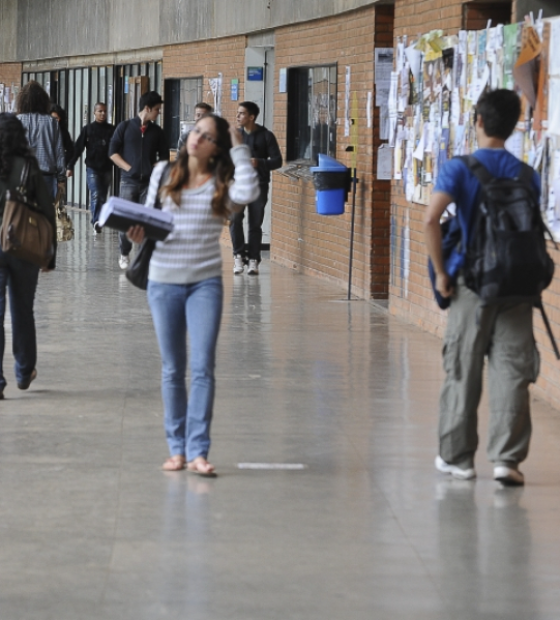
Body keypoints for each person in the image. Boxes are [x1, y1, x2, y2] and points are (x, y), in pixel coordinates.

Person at [127, 113, 259, 474]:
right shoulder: (162, 173)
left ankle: (198, 451)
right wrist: (137, 233)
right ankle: (177, 449)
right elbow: (147, 219)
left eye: (206, 136)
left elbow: (250, 193)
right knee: (173, 369)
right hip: (163, 280)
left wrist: (240, 146)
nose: (195, 139)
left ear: (217, 149)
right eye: (195, 131)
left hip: (205, 283)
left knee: (202, 367)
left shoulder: (222, 181)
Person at [424, 89, 541, 486]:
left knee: (463, 367)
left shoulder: (459, 168)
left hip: (472, 284)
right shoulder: (527, 173)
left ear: (478, 121)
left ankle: (458, 458)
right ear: (514, 126)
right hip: (518, 286)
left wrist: (441, 273)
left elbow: (430, 220)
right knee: (512, 371)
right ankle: (507, 460)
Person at [0, 113, 57, 398]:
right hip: (23, 247)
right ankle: (24, 371)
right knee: (23, 311)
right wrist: (50, 255)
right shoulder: (29, 167)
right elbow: (47, 212)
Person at [109, 91, 169, 269]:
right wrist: (129, 168)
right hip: (128, 181)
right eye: (157, 109)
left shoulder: (157, 132)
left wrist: (155, 168)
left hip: (150, 183)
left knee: (146, 220)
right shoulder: (125, 127)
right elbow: (112, 152)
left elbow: (165, 156)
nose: (158, 113)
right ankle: (124, 252)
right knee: (126, 219)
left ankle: (143, 257)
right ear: (147, 108)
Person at [230, 101, 282, 275]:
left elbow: (277, 161)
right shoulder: (235, 136)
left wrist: (259, 162)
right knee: (235, 219)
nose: (238, 116)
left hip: (258, 185)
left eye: (242, 113)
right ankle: (238, 255)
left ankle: (253, 260)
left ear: (251, 117)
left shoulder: (266, 136)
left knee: (255, 223)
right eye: (238, 113)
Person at [67, 102, 115, 234]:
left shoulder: (112, 130)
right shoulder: (88, 129)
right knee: (96, 194)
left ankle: (98, 219)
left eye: (105, 111)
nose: (103, 113)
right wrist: (70, 165)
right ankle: (96, 222)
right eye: (100, 111)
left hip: (106, 167)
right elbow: (78, 148)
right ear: (94, 113)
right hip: (92, 168)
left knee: (103, 196)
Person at [16, 80, 66, 198]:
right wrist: (61, 178)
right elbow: (59, 152)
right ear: (43, 101)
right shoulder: (52, 123)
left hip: (22, 176)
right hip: (46, 177)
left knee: (23, 213)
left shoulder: (16, 121)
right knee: (43, 215)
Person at [50, 104, 75, 169]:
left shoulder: (63, 132)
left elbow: (70, 149)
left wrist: (63, 162)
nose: (55, 121)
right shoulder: (43, 131)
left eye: (57, 118)